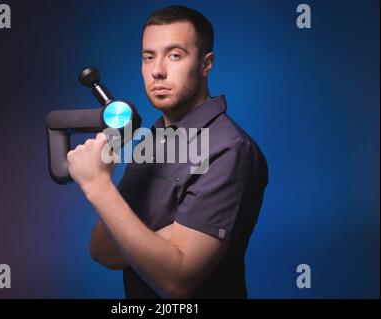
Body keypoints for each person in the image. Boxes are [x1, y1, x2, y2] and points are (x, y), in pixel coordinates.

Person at [67, 5, 268, 299]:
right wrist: (167, 242)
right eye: (149, 57)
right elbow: (103, 251)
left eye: (175, 55)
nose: (157, 71)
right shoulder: (154, 139)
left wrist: (97, 186)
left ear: (205, 64)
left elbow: (178, 282)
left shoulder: (229, 150)